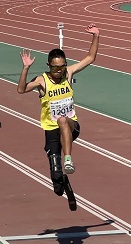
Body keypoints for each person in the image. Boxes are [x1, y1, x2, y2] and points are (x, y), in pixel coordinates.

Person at [17, 24, 100, 196]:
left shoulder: (68, 73)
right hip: (51, 129)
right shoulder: (42, 80)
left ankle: (68, 160)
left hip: (71, 126)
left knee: (62, 119)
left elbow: (90, 57)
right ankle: (61, 180)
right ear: (49, 65)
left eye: (62, 66)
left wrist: (96, 35)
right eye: (55, 67)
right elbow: (21, 89)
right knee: (56, 180)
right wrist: (25, 68)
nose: (59, 70)